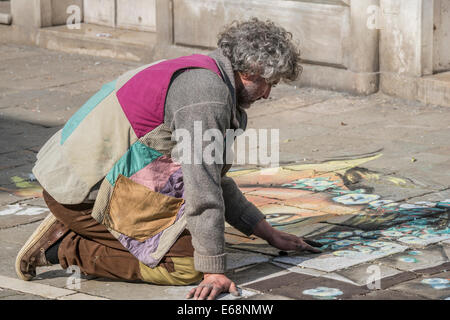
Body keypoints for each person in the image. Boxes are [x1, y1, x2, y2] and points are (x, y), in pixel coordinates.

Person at [15, 18, 321, 300]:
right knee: (187, 265)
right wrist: (213, 270)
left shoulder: (206, 73)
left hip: (82, 178)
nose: (267, 94)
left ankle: (76, 226)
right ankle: (63, 246)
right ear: (250, 70)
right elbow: (203, 186)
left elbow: (211, 176)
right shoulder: (207, 94)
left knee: (205, 242)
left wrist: (267, 232)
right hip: (79, 193)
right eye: (269, 83)